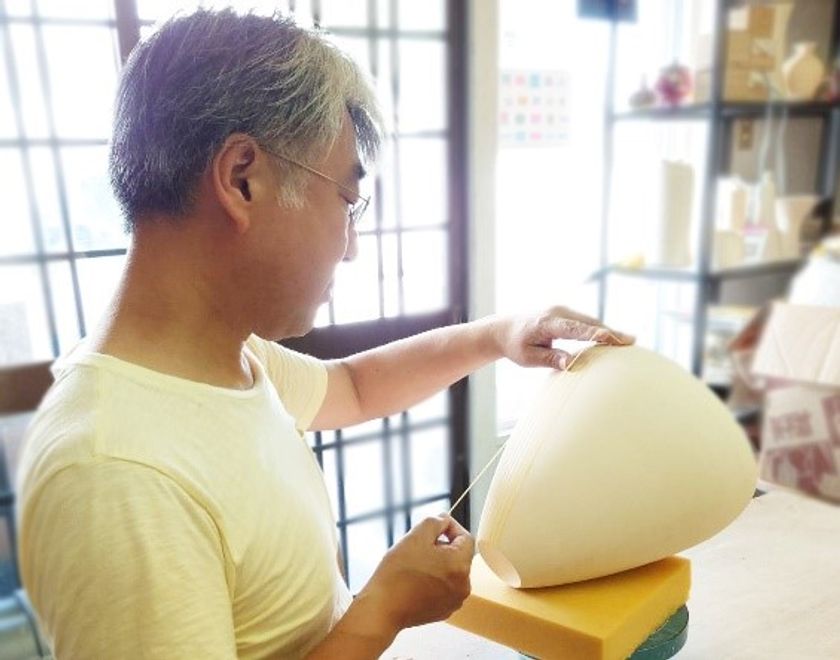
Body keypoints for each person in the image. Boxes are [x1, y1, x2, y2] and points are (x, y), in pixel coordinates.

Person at [16, 8, 631, 659]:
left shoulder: (226, 359)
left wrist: (500, 336)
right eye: (345, 199)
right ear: (241, 178)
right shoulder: (117, 474)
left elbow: (355, 387)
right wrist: (383, 611)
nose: (351, 246)